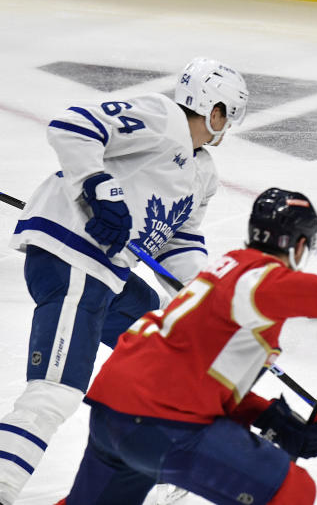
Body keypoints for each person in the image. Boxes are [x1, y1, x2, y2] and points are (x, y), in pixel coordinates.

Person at [0, 58, 249, 504]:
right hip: (73, 256)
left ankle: (175, 454)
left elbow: (181, 242)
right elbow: (74, 125)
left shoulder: (203, 172)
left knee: (168, 349)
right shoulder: (162, 117)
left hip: (108, 276)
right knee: (55, 392)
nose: (227, 125)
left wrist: (207, 297)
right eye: (227, 112)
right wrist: (98, 184)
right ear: (210, 107)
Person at [54, 187, 317, 504]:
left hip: (113, 415)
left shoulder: (223, 272)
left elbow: (197, 374)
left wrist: (269, 417)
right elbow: (285, 291)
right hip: (160, 424)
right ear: (300, 245)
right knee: (292, 491)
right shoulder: (256, 278)